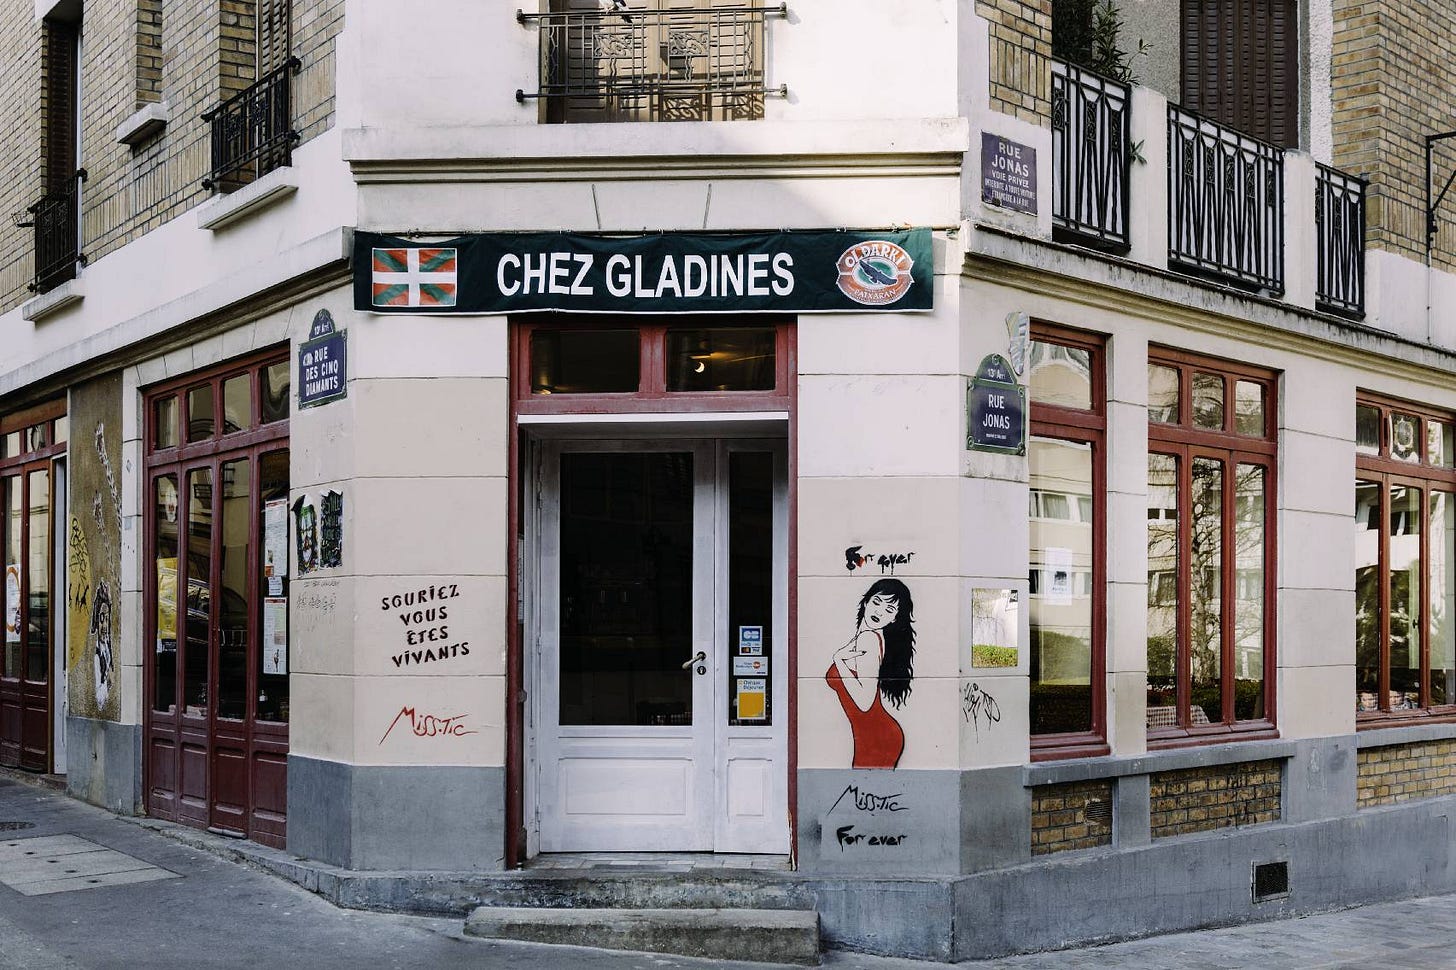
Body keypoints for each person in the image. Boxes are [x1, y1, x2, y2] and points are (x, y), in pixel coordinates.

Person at [826, 577, 916, 769]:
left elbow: (864, 702)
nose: (879, 611)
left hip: (875, 735)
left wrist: (839, 661)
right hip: (872, 733)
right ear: (866, 601)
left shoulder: (869, 640)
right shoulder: (863, 639)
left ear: (894, 618)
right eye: (877, 602)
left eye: (889, 610)